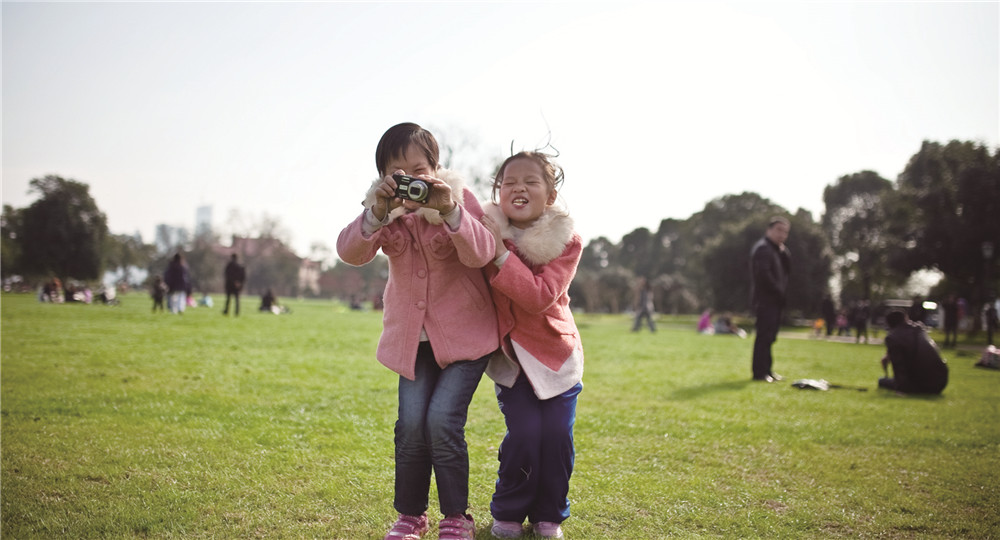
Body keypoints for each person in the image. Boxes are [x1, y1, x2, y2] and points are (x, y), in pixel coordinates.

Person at [336, 122, 499, 540]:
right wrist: (376, 211)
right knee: (410, 424)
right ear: (384, 176)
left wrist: (449, 212)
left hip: (466, 338)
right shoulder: (384, 212)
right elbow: (349, 252)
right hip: (413, 342)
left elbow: (483, 253)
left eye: (420, 167)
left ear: (437, 167)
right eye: (399, 171)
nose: (412, 178)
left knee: (442, 421)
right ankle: (411, 516)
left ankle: (456, 516)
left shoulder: (456, 201)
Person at [479, 151, 583, 540]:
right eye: (509, 182)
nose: (518, 188)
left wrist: (502, 254)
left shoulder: (566, 241)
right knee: (523, 435)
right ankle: (508, 510)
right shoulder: (485, 232)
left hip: (556, 356)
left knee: (556, 436)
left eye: (531, 181)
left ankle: (549, 515)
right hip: (510, 359)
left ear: (550, 195)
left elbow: (540, 295)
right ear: (498, 192)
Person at [749, 216, 791, 382]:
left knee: (770, 337)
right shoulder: (763, 249)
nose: (782, 235)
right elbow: (764, 275)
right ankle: (759, 373)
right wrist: (778, 291)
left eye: (785, 232)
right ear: (769, 230)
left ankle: (768, 370)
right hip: (765, 301)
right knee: (764, 336)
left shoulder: (778, 251)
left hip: (775, 301)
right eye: (779, 230)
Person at [879, 310, 948, 395]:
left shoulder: (893, 338)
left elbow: (899, 366)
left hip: (922, 384)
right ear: (905, 319)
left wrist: (901, 389)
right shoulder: (919, 330)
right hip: (940, 382)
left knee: (882, 381)